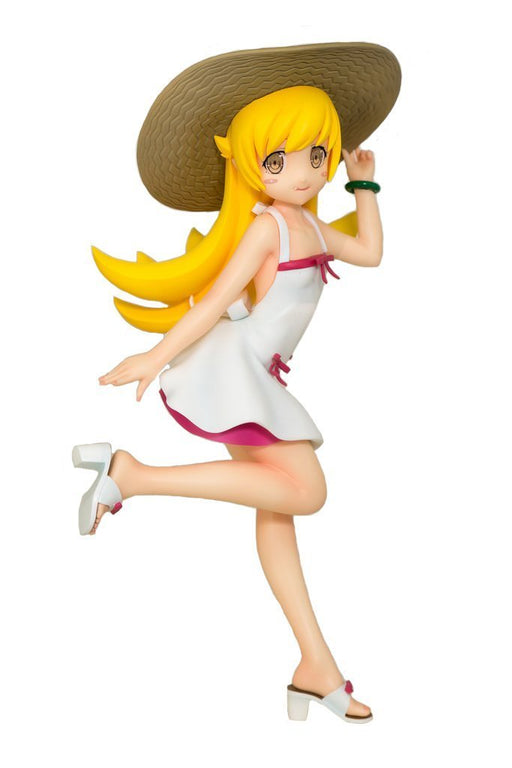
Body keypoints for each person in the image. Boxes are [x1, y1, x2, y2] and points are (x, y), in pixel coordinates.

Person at [73, 43, 401, 724]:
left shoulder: (311, 224)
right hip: (234, 370)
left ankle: (316, 668)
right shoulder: (266, 228)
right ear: (252, 168)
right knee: (307, 490)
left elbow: (370, 252)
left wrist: (363, 186)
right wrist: (155, 355)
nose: (302, 172)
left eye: (316, 154)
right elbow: (215, 302)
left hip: (255, 377)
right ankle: (133, 476)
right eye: (277, 161)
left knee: (278, 510)